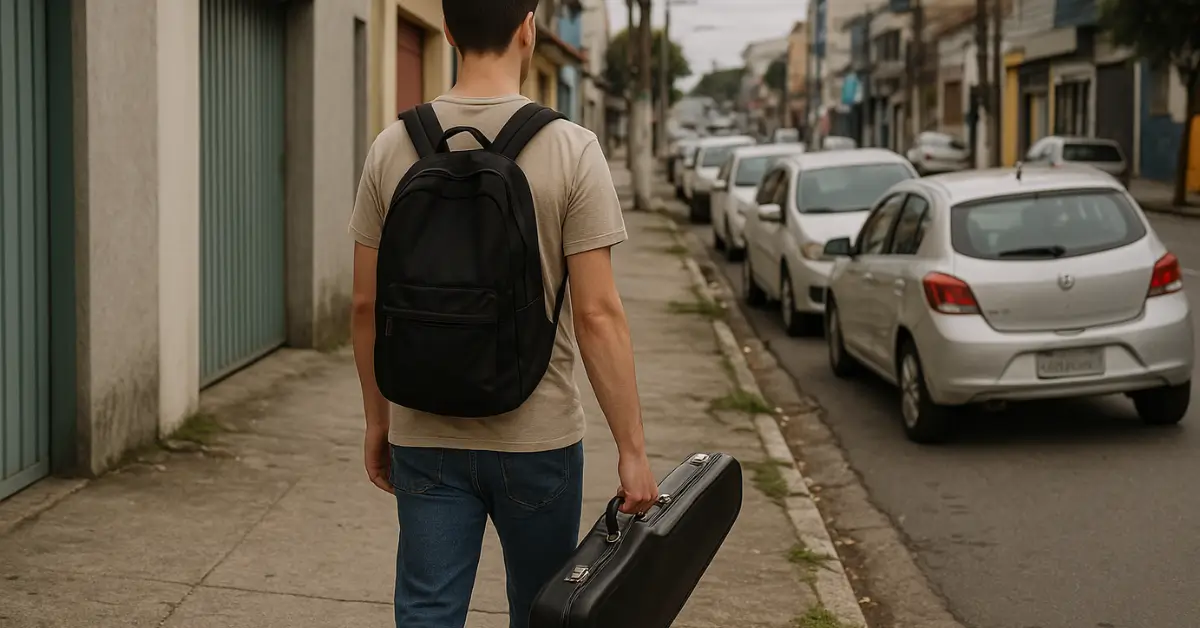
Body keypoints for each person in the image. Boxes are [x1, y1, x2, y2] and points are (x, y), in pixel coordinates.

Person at [347, 1, 659, 627]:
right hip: (536, 433)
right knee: (543, 609)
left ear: (449, 31)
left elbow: (365, 304)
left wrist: (377, 421)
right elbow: (598, 314)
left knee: (428, 610)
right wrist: (632, 449)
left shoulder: (392, 145)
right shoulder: (571, 147)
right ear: (528, 27)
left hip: (425, 430)